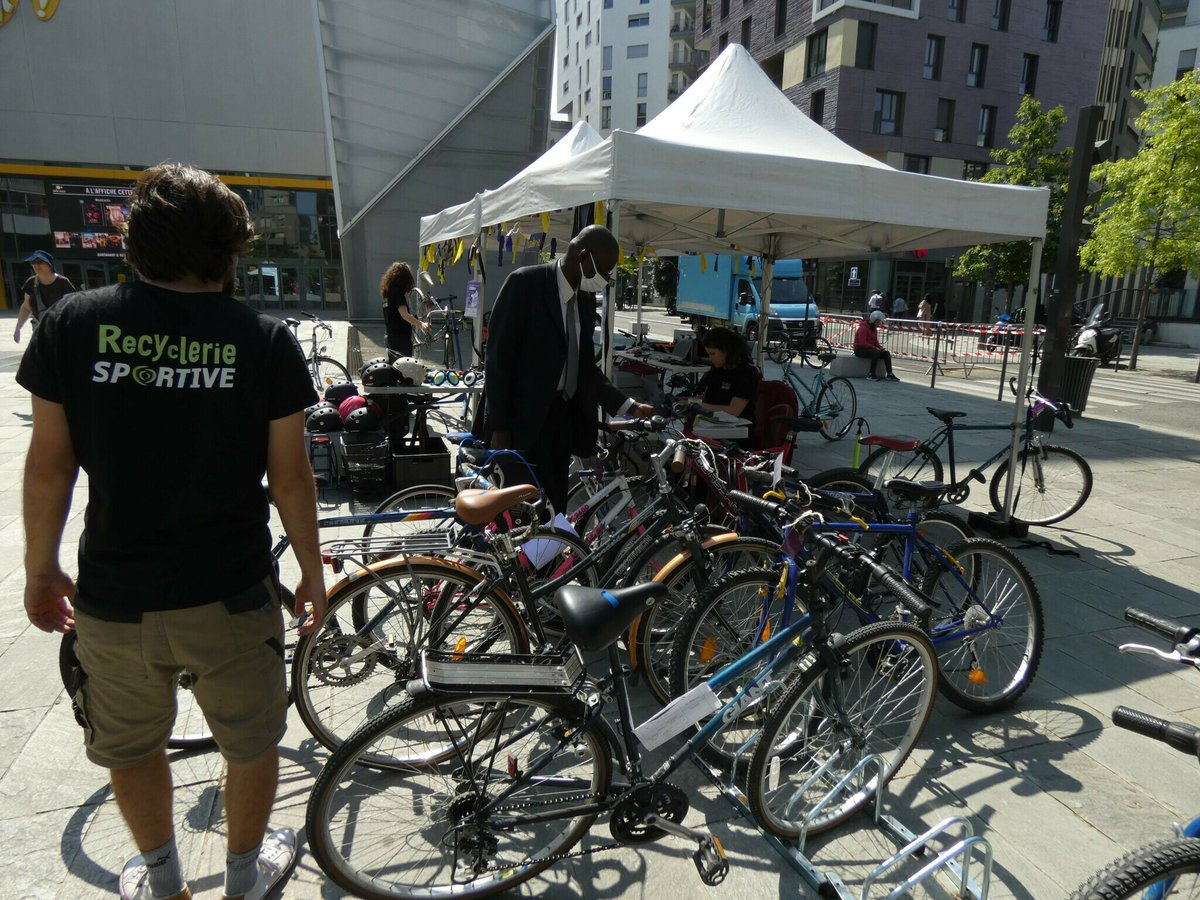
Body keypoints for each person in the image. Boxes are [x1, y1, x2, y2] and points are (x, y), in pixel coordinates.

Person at [17, 162, 327, 900]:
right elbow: (289, 478)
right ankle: (245, 879)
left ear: (135, 243)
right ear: (230, 251)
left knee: (130, 746)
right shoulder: (263, 339)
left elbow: (50, 465)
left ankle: (164, 883)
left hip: (114, 598)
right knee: (252, 743)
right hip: (231, 594)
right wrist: (313, 572)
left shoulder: (75, 324)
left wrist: (39, 567)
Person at [483, 224, 655, 511]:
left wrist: (628, 405)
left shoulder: (584, 300)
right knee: (519, 513)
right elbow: (498, 361)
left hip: (561, 421)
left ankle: (548, 557)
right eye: (605, 270)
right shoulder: (526, 284)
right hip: (520, 423)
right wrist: (500, 427)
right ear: (584, 257)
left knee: (555, 508)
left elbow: (586, 368)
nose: (607, 278)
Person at [687, 325, 758, 422]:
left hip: (736, 428)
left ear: (726, 350)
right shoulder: (716, 370)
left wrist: (698, 405)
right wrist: (690, 400)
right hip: (711, 422)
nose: (710, 358)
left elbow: (734, 411)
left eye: (712, 354)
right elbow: (707, 397)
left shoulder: (746, 374)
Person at [14, 250, 76, 343]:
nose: (36, 265)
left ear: (49, 264)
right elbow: (26, 307)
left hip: (60, 331)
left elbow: (74, 307)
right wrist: (18, 329)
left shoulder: (63, 282)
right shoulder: (31, 282)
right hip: (39, 331)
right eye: (33, 262)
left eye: (39, 262)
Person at [380, 261, 429, 358]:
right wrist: (421, 324)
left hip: (390, 337)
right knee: (405, 370)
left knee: (395, 367)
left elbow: (394, 315)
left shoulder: (387, 293)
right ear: (405, 279)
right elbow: (404, 315)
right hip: (401, 340)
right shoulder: (398, 294)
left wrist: (412, 320)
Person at [854, 309, 899, 381]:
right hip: (860, 350)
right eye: (878, 322)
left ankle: (890, 374)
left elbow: (875, 341)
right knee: (876, 352)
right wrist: (874, 348)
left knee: (886, 353)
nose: (879, 324)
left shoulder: (873, 329)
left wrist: (880, 347)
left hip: (870, 349)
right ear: (874, 320)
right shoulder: (863, 328)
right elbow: (862, 343)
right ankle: (871, 374)